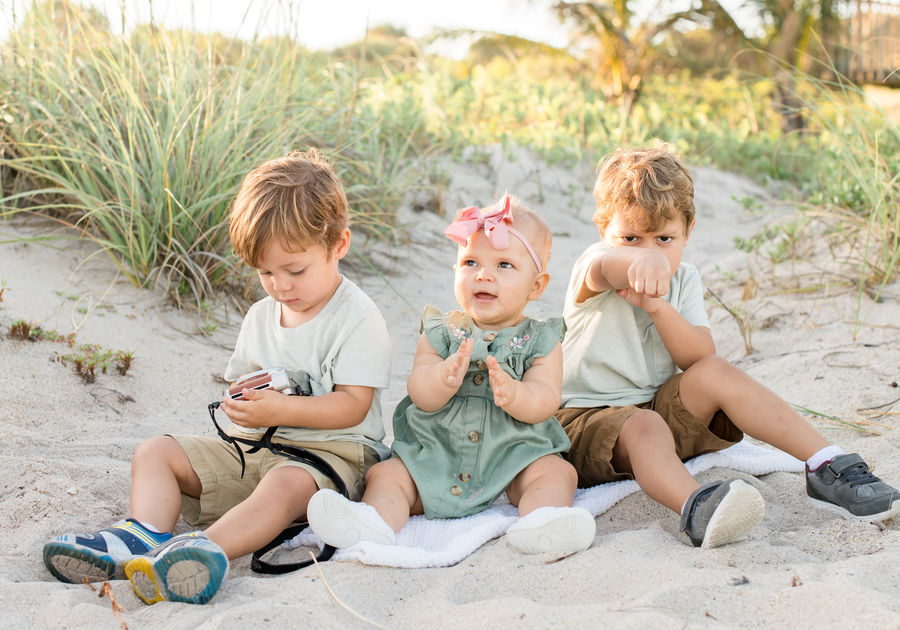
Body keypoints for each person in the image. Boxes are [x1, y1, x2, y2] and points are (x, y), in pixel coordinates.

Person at [42, 149, 392, 604]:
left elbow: (354, 405)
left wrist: (284, 407)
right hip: (258, 447)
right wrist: (242, 407)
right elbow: (245, 385)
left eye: (295, 270)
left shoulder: (358, 317)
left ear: (338, 245)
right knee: (157, 452)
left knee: (282, 485)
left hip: (332, 458)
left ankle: (203, 552)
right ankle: (142, 536)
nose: (280, 286)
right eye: (265, 272)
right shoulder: (261, 316)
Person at [557, 146, 900, 549]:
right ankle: (696, 507)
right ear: (603, 231)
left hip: (657, 413)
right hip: (586, 425)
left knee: (714, 370)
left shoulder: (684, 279)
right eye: (630, 238)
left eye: (664, 239)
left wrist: (657, 306)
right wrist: (631, 263)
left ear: (688, 231)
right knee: (643, 426)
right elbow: (606, 268)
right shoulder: (595, 263)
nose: (648, 252)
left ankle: (827, 465)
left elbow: (696, 355)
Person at [306, 195, 596, 554]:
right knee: (388, 475)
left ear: (536, 286)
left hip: (513, 454)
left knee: (555, 473)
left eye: (504, 265)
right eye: (470, 262)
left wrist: (517, 395)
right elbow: (419, 391)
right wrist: (441, 378)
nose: (483, 274)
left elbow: (547, 399)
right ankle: (374, 522)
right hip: (436, 451)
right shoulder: (442, 332)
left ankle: (542, 522)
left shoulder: (540, 340)